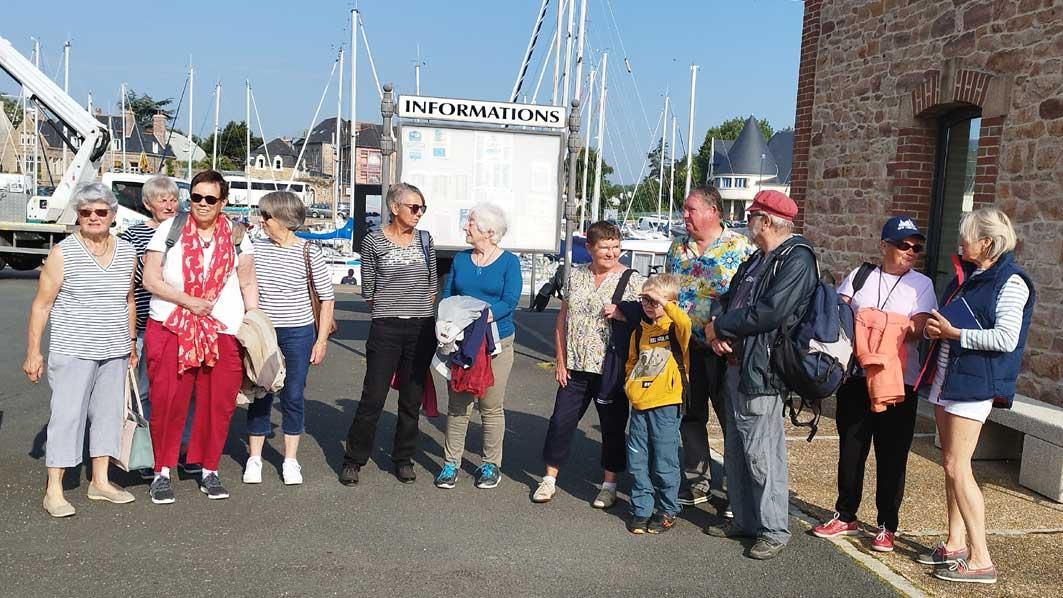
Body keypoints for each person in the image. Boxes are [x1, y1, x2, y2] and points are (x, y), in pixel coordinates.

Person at [916, 208, 1034, 585]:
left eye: (967, 235)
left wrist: (954, 334)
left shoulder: (1011, 281)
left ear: (988, 241)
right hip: (948, 377)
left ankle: (981, 559)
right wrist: (938, 331)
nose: (960, 241)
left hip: (975, 383)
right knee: (950, 465)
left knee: (957, 466)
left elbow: (1006, 338)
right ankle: (955, 543)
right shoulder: (970, 276)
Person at [702, 190, 818, 560]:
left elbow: (772, 312)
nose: (747, 222)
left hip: (762, 369)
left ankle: (773, 528)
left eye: (751, 215)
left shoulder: (797, 259)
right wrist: (720, 329)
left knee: (762, 452)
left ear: (765, 221)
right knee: (736, 447)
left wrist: (721, 327)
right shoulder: (760, 257)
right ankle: (745, 520)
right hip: (738, 365)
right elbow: (731, 297)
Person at [812, 216, 937, 552]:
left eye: (916, 247)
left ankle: (886, 526)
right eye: (903, 245)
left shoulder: (921, 285)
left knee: (892, 456)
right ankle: (845, 514)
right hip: (856, 377)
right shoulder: (861, 275)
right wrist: (881, 325)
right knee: (851, 450)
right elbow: (839, 316)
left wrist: (872, 322)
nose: (911, 252)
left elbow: (919, 328)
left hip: (898, 382)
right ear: (884, 246)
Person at [142, 169, 258, 504]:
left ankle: (208, 468)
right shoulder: (170, 228)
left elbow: (248, 283)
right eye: (196, 197)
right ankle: (161, 470)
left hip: (223, 329)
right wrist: (188, 301)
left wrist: (254, 324)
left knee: (217, 404)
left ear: (223, 202)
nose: (202, 204)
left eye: (210, 198)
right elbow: (151, 279)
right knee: (167, 400)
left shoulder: (238, 236)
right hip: (171, 325)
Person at [23, 182, 138, 517]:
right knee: (67, 416)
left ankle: (100, 481)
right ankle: (54, 489)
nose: (92, 217)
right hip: (73, 347)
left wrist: (130, 343)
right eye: (85, 212)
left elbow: (128, 301)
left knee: (108, 415)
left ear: (112, 215)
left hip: (114, 347)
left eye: (100, 211)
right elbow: (41, 306)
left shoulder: (127, 252)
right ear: (78, 215)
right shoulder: (64, 252)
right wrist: (33, 352)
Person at [534, 221, 645, 506]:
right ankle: (549, 479)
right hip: (575, 363)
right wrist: (560, 359)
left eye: (616, 247)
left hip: (611, 366)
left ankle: (609, 484)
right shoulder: (575, 276)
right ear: (590, 248)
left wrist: (623, 314)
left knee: (611, 426)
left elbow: (646, 318)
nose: (611, 252)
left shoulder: (632, 279)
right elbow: (563, 318)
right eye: (605, 247)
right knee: (560, 421)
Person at [665, 185, 755, 514]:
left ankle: (734, 490)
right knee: (690, 416)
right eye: (684, 209)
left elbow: (748, 300)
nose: (684, 215)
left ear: (712, 211)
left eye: (691, 209)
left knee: (731, 418)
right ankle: (697, 483)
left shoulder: (740, 247)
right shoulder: (677, 248)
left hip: (724, 349)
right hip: (685, 347)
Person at [340, 183, 437, 486]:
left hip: (421, 328)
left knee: (411, 399)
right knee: (373, 397)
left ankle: (403, 458)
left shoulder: (425, 240)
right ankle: (353, 459)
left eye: (422, 208)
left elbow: (432, 283)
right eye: (413, 207)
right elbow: (368, 288)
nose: (419, 213)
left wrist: (417, 308)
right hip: (386, 327)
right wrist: (391, 307)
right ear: (395, 208)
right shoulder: (373, 242)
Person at [243, 191, 335, 486]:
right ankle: (254, 457)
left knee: (293, 394)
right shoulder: (256, 247)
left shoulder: (309, 251)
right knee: (261, 391)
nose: (262, 221)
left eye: (267, 216)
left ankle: (290, 460)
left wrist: (321, 341)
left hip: (299, 331)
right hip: (264, 332)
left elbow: (327, 298)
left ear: (283, 219)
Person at [433, 203, 522, 490]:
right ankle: (450, 465)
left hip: (496, 342)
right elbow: (448, 297)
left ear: (489, 231)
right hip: (461, 342)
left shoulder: (509, 263)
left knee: (490, 406)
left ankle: (489, 465)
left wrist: (478, 318)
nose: (465, 227)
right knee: (459, 404)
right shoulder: (460, 260)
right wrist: (452, 323)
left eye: (470, 223)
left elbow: (509, 301)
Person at [118, 175, 180, 480]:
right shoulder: (133, 236)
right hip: (140, 322)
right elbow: (127, 281)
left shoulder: (185, 233)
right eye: (162, 200)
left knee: (174, 390)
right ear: (147, 204)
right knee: (140, 388)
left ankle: (173, 447)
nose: (169, 205)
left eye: (172, 199)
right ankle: (144, 451)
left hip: (175, 322)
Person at [623, 274, 691, 534]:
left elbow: (684, 320)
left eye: (654, 301)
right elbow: (632, 361)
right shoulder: (640, 330)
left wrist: (664, 300)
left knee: (664, 460)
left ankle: (667, 509)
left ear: (669, 302)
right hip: (640, 403)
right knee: (638, 459)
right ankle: (641, 509)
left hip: (666, 403)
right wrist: (629, 385)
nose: (649, 305)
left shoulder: (675, 328)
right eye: (645, 300)